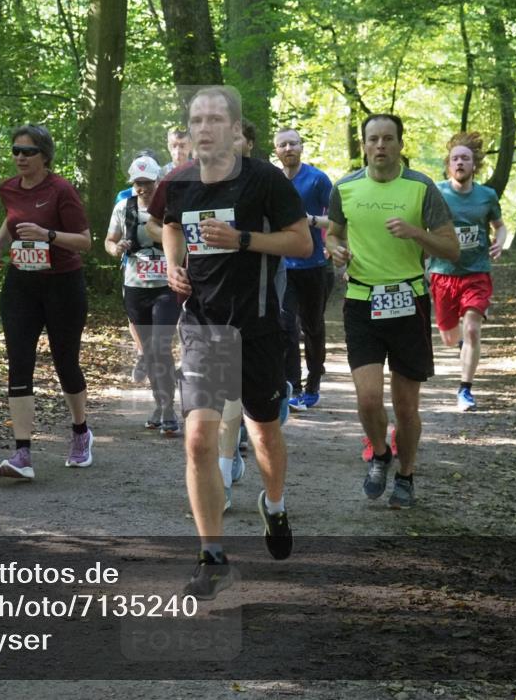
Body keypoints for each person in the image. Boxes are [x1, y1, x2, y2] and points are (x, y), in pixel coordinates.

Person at [152, 86, 312, 598]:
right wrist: (175, 266)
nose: (204, 128)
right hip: (204, 327)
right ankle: (212, 555)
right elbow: (168, 226)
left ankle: (275, 503)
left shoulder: (264, 180)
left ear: (237, 129)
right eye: (196, 119)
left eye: (215, 119)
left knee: (263, 434)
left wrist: (243, 240)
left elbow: (303, 241)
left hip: (261, 326)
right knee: (198, 438)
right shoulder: (177, 182)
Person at [325, 114, 459, 510]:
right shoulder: (345, 187)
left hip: (408, 301)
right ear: (364, 145)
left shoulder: (421, 188)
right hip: (362, 301)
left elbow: (451, 249)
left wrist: (416, 232)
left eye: (388, 138)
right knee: (367, 399)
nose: (380, 145)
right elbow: (332, 232)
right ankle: (381, 455)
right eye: (373, 139)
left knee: (405, 406)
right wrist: (334, 249)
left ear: (400, 144)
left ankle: (406, 474)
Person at [0, 124, 93, 479]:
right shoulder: (8, 188)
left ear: (44, 156)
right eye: (15, 150)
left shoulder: (61, 190)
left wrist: (48, 235)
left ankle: (80, 432)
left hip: (63, 285)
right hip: (21, 284)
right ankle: (22, 453)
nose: (19, 157)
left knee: (66, 363)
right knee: (19, 362)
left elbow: (84, 241)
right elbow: (13, 216)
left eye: (27, 151)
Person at [429, 132, 507, 411]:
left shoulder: (487, 195)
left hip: (476, 273)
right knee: (450, 338)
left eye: (465, 158)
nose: (460, 162)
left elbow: (500, 226)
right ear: (448, 165)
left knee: (473, 328)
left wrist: (499, 242)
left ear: (475, 165)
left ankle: (465, 390)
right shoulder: (436, 192)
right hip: (443, 273)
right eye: (455, 159)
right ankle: (461, 344)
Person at [105, 156, 179, 435]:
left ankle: (169, 409)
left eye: (148, 183)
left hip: (166, 287)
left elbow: (183, 240)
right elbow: (109, 241)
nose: (143, 189)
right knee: (149, 351)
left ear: (158, 182)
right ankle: (160, 405)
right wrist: (116, 248)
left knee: (161, 347)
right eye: (138, 184)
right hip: (136, 287)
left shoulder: (171, 207)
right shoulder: (123, 208)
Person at [274, 128, 334, 411]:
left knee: (312, 326)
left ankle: (313, 385)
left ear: (301, 147)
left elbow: (335, 220)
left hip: (313, 265)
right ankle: (292, 387)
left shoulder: (318, 179)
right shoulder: (270, 180)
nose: (288, 148)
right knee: (286, 327)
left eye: (293, 143)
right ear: (276, 150)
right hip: (282, 266)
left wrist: (310, 220)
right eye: (283, 144)